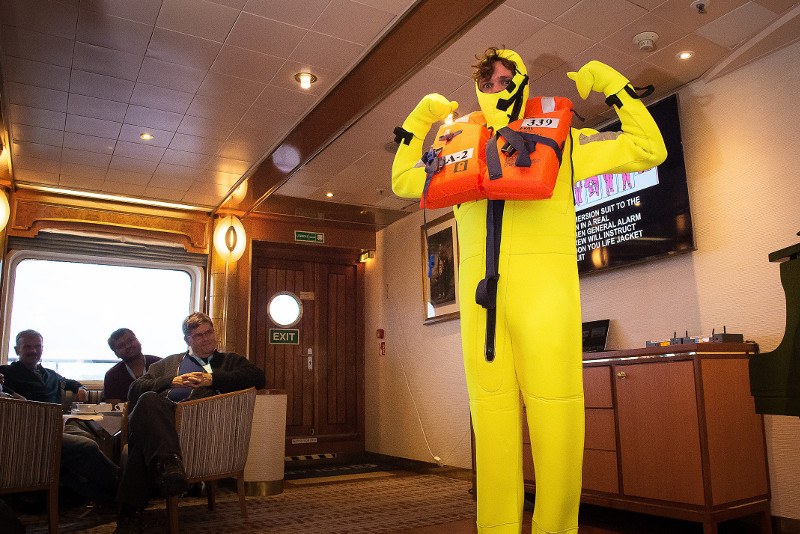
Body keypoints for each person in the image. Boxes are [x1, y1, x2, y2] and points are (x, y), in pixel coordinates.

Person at [391, 48, 666, 534]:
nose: (496, 89)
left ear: (521, 80)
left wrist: (613, 84)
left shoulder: (564, 140)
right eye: (489, 82)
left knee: (557, 425)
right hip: (484, 312)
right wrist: (419, 121)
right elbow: (400, 181)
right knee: (492, 430)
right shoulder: (459, 149)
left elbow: (650, 149)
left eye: (505, 79)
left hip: (547, 304)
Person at [115, 312, 265, 532]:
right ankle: (168, 464)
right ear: (188, 340)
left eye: (209, 332)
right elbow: (133, 390)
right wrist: (170, 381)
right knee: (148, 399)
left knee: (140, 445)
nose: (206, 339)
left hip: (202, 431)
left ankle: (129, 514)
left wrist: (212, 379)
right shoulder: (169, 364)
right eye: (198, 335)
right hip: (167, 425)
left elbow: (258, 378)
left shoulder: (230, 361)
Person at [0, 330, 120, 505]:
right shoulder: (7, 372)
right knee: (86, 446)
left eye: (37, 346)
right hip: (27, 433)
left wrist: (82, 389)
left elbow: (73, 383)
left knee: (86, 438)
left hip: (56, 426)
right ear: (17, 350)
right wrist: (9, 390)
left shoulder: (50, 375)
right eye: (27, 346)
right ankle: (123, 486)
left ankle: (104, 493)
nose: (33, 350)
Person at [104, 328, 161, 402]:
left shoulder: (160, 364)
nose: (128, 346)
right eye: (121, 346)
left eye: (130, 341)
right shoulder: (112, 375)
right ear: (116, 354)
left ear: (138, 341)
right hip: (128, 413)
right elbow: (114, 409)